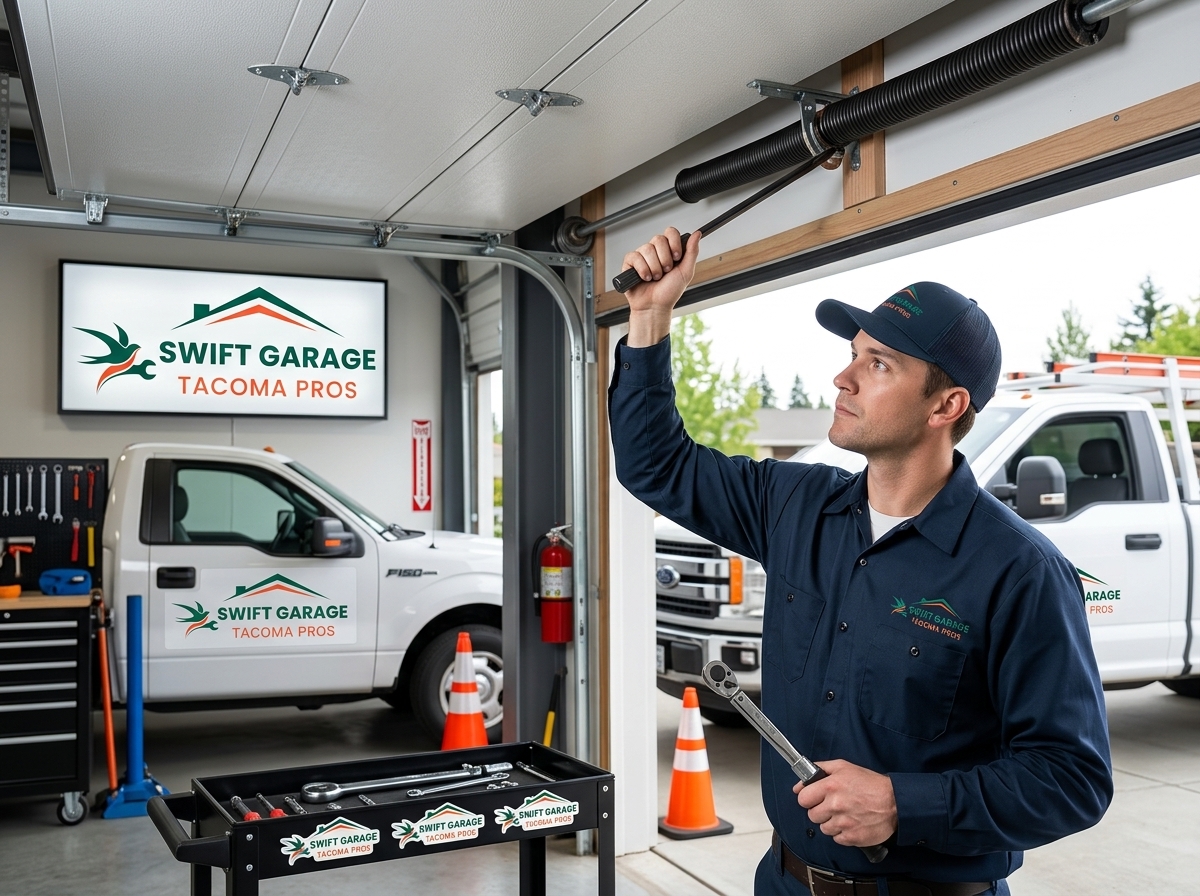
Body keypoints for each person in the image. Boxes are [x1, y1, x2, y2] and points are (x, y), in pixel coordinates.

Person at [609, 229, 1112, 896]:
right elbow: (657, 465)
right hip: (784, 880)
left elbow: (1072, 778)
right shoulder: (792, 504)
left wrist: (905, 804)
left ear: (946, 405)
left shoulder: (1018, 571)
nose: (842, 378)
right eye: (853, 355)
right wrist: (649, 317)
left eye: (878, 364)